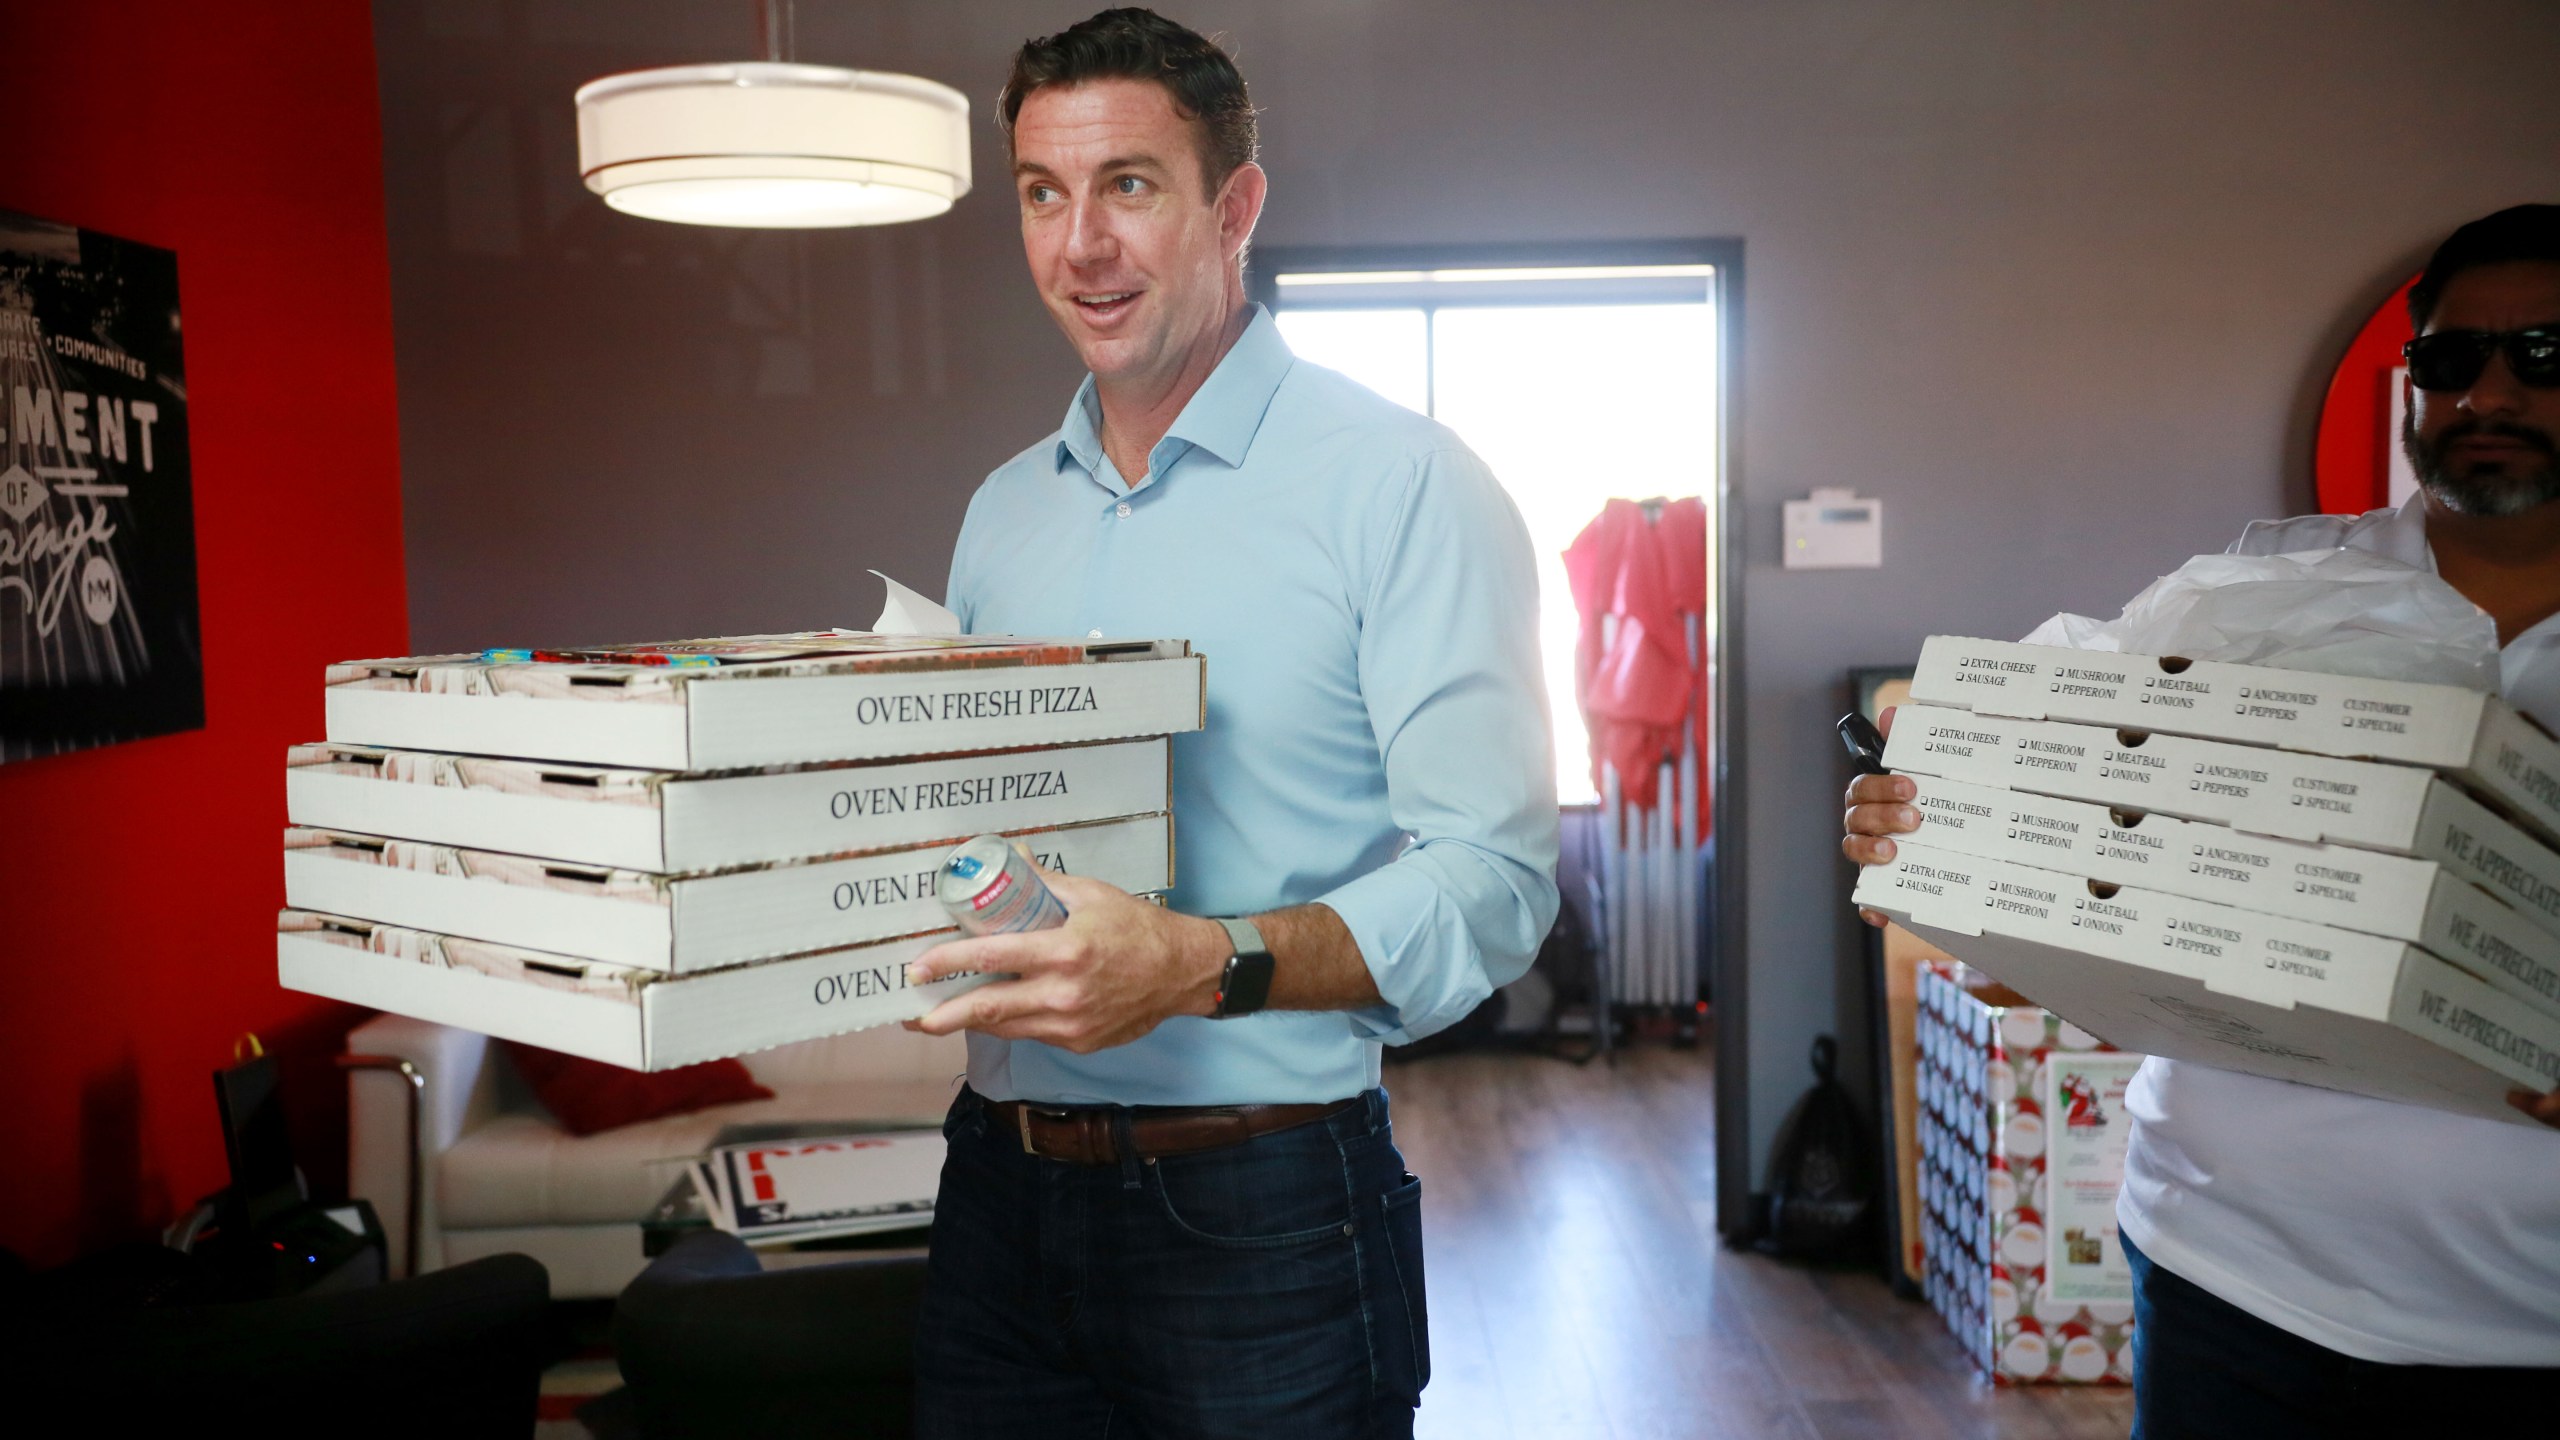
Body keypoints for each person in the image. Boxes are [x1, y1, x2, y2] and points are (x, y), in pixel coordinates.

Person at [900, 11, 1560, 1437]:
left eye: (1129, 185)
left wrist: (1202, 966)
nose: (1080, 245)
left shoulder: (1405, 485)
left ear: (1235, 207)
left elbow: (1496, 889)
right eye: (1041, 192)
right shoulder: (1001, 512)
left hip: (1262, 1211)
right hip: (994, 1192)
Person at [1844, 204, 2560, 1437]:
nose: (2486, 393)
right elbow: (2102, 819)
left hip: (2519, 1320)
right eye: (2449, 361)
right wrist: (1946, 825)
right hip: (2228, 1270)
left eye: (2541, 356)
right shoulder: (2278, 581)